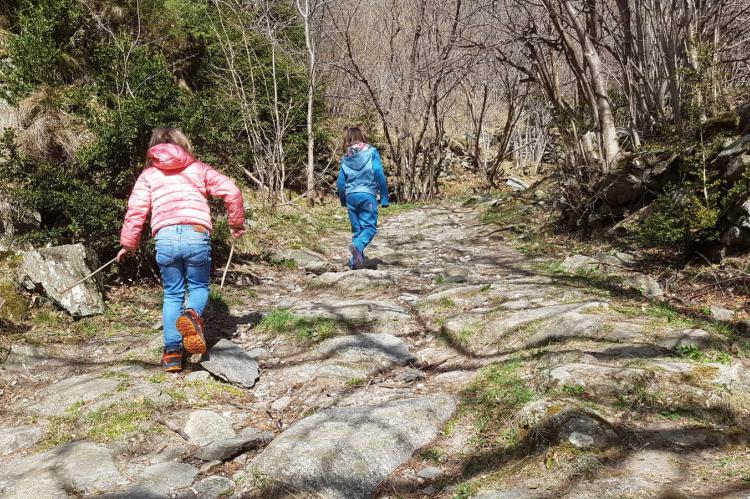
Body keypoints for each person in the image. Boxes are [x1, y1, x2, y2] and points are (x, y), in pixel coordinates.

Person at [117, 128, 245, 372]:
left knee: (172, 293)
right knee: (198, 287)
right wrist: (236, 224)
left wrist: (128, 244)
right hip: (197, 234)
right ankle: (192, 315)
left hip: (164, 237)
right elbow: (232, 191)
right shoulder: (199, 168)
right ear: (184, 145)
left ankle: (172, 354)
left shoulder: (148, 176)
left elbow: (135, 212)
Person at [336, 126, 390, 269]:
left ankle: (356, 263)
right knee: (369, 229)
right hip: (367, 196)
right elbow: (378, 173)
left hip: (351, 197)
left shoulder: (346, 158)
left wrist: (343, 200)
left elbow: (340, 183)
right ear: (363, 136)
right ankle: (357, 246)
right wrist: (384, 197)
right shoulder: (371, 152)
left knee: (357, 231)